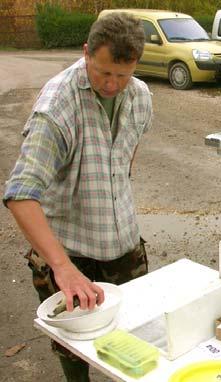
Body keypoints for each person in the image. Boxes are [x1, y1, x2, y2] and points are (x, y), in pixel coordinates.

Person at [3, 12, 152, 381]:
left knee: (131, 345)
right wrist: (62, 267)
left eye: (123, 74)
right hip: (70, 257)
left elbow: (125, 156)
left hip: (125, 250)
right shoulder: (57, 107)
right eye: (103, 72)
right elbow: (20, 195)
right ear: (86, 52)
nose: (113, 84)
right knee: (75, 354)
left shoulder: (141, 96)